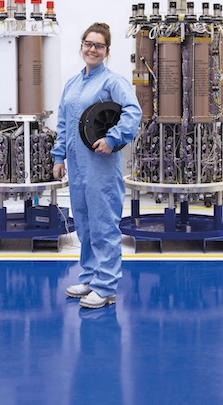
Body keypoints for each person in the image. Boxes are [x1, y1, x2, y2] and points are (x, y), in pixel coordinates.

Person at [52, 22, 142, 309]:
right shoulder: (73, 83)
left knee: (104, 225)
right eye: (88, 43)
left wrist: (113, 139)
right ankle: (90, 277)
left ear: (107, 51)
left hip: (101, 165)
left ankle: (106, 287)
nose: (92, 49)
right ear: (81, 45)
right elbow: (64, 123)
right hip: (77, 166)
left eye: (99, 45)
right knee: (85, 224)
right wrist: (58, 156)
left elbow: (132, 111)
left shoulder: (113, 82)